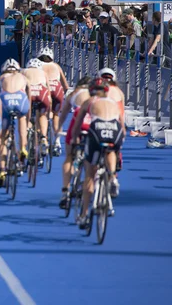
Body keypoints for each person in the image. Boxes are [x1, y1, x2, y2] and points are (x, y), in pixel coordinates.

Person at [71, 78, 124, 229]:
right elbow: (122, 126)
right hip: (114, 130)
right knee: (111, 150)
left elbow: (78, 123)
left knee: (90, 173)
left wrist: (75, 140)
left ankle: (84, 214)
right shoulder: (113, 102)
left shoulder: (90, 102)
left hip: (97, 131)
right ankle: (113, 176)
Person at [0, 59, 30, 188]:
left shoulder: (1, 78)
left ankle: (2, 170)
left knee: (2, 138)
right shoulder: (23, 77)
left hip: (6, 102)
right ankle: (23, 148)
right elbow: (29, 97)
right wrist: (28, 117)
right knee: (22, 120)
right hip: (21, 100)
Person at [56, 76, 92, 208]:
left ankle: (65, 190)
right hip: (93, 125)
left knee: (69, 157)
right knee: (92, 162)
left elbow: (63, 114)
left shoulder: (74, 93)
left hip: (78, 123)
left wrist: (58, 131)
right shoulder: (97, 95)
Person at [38, 47, 69, 155]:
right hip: (57, 89)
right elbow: (65, 85)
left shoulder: (38, 66)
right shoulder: (56, 66)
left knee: (41, 114)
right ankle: (57, 142)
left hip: (44, 90)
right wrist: (63, 95)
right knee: (56, 115)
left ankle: (43, 138)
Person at [99, 67, 124, 195]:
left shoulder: (98, 91)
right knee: (114, 148)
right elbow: (121, 115)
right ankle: (113, 176)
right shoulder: (119, 92)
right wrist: (123, 131)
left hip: (98, 124)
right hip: (115, 125)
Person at [21, 58, 51, 159]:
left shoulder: (24, 71)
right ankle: (43, 137)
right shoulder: (43, 72)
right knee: (42, 115)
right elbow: (49, 90)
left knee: (26, 118)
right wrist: (49, 111)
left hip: (29, 92)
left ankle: (25, 138)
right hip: (41, 92)